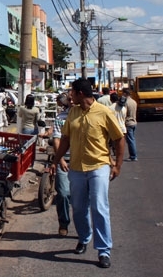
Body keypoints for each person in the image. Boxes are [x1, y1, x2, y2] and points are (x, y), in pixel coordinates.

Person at [51, 78, 125, 269]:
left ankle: (103, 250)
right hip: (76, 168)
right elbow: (65, 139)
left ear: (80, 94)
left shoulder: (104, 112)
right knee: (79, 208)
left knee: (99, 207)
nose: (69, 96)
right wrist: (55, 160)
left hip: (99, 166)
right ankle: (84, 238)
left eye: (72, 92)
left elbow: (119, 139)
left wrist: (117, 165)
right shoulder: (73, 113)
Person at [51, 93, 72, 237]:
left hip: (82, 162)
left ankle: (84, 229)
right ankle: (63, 223)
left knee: (81, 198)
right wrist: (61, 159)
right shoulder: (60, 118)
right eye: (69, 99)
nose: (71, 101)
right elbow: (57, 140)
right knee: (63, 193)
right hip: (64, 160)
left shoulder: (87, 116)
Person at [122, 88, 138, 161]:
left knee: (130, 140)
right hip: (134, 122)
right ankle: (133, 155)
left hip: (128, 122)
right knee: (132, 139)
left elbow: (124, 113)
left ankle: (133, 156)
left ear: (125, 93)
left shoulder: (126, 102)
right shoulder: (134, 102)